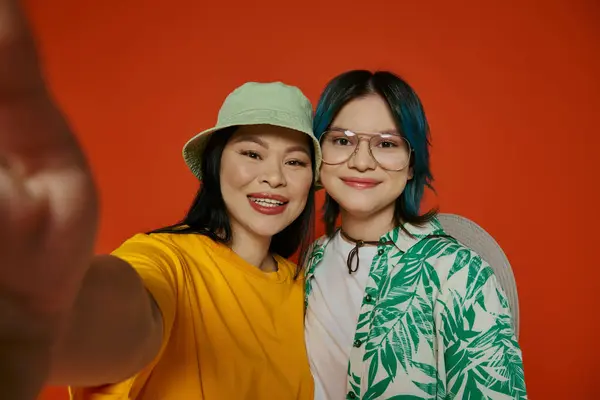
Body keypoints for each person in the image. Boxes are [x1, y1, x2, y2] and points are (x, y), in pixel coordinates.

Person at [0, 1, 320, 399]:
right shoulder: (170, 261)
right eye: (252, 154)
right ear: (216, 166)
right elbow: (132, 317)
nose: (274, 177)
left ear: (311, 181)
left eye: (295, 161)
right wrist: (37, 317)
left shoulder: (309, 292)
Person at [304, 70, 527, 399]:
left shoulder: (459, 273)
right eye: (342, 140)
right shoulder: (313, 259)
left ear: (411, 164)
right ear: (319, 152)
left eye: (386, 143)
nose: (362, 161)